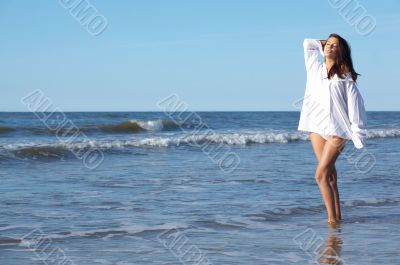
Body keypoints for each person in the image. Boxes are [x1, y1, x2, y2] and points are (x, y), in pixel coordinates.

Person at [298, 33, 367, 225]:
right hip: (316, 127)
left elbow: (356, 105)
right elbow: (307, 43)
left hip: (338, 131)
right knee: (330, 177)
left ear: (341, 51)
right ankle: (338, 218)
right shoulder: (314, 68)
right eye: (328, 44)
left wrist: (357, 133)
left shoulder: (345, 76)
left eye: (335, 45)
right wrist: (324, 43)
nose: (329, 47)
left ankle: (331, 221)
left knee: (320, 175)